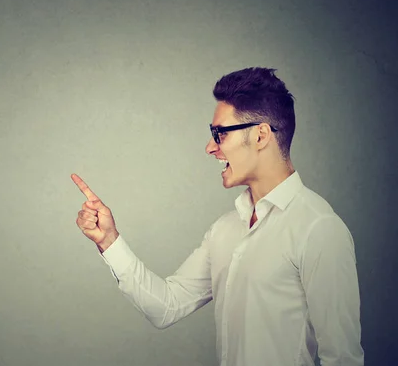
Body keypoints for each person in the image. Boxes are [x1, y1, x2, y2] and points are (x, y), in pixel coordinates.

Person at [71, 67, 364, 366]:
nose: (210, 147)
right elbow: (166, 307)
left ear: (261, 135)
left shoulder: (319, 229)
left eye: (219, 134)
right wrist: (109, 240)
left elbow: (343, 359)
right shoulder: (224, 230)